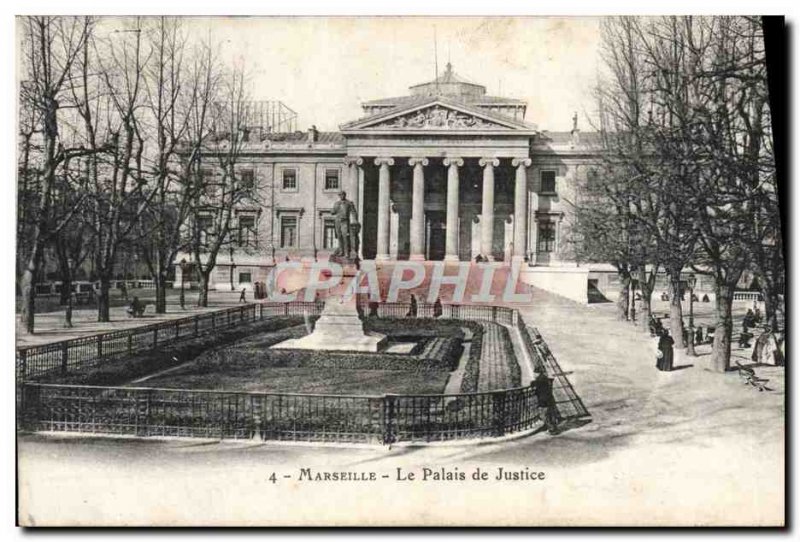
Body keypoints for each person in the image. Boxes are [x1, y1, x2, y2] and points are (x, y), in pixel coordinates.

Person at [533, 370, 560, 435]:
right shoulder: (545, 378)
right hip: (549, 399)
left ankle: (551, 429)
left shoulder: (539, 380)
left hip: (544, 400)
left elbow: (534, 385)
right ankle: (554, 428)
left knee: (543, 415)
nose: (534, 375)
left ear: (538, 373)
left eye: (535, 374)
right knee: (550, 414)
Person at [331, 190, 357, 259]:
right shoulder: (337, 203)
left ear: (345, 195)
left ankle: (346, 253)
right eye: (340, 195)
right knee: (339, 237)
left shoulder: (349, 203)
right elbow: (333, 212)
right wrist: (334, 208)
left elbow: (353, 212)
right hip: (337, 221)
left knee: (345, 237)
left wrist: (354, 220)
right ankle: (341, 251)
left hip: (345, 221)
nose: (341, 196)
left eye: (342, 195)